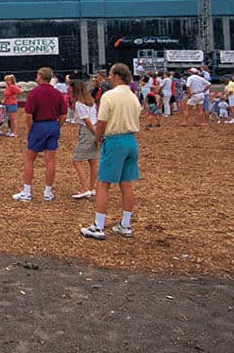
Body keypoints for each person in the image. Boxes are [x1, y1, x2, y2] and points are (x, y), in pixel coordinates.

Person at [80, 63, 143, 240]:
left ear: (116, 76)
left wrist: (97, 139)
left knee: (103, 184)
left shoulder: (109, 96)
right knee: (127, 184)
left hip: (115, 140)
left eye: (110, 74)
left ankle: (98, 226)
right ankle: (125, 224)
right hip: (131, 140)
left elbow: (102, 122)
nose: (108, 77)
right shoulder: (133, 97)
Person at [12, 67, 66, 203]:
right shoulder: (57, 93)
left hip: (39, 125)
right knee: (50, 160)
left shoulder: (34, 93)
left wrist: (31, 129)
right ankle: (47, 193)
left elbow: (28, 115)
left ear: (41, 76)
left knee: (30, 159)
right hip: (53, 125)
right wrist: (57, 126)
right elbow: (63, 115)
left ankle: (27, 192)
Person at [68, 78, 98, 200]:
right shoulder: (91, 102)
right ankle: (92, 187)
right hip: (93, 129)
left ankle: (85, 188)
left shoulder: (79, 103)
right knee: (93, 160)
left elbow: (86, 121)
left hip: (87, 131)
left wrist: (96, 135)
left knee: (77, 160)